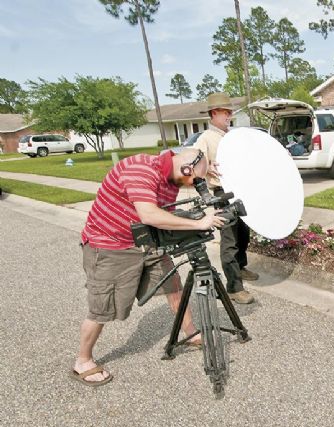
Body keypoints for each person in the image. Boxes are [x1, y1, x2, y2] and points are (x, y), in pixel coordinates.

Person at [72, 148, 227, 386]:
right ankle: (83, 360)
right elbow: (149, 215)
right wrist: (199, 222)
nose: (193, 184)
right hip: (111, 246)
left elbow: (165, 208)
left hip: (148, 241)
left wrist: (206, 173)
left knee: (173, 286)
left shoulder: (172, 175)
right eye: (193, 178)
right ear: (185, 167)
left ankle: (191, 332)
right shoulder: (140, 169)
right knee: (104, 306)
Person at [193, 92, 258, 305]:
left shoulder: (231, 135)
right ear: (214, 113)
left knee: (243, 233)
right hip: (222, 194)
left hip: (240, 191)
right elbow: (193, 166)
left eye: (230, 111)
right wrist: (206, 166)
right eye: (225, 111)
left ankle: (240, 266)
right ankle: (234, 288)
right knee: (229, 240)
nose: (229, 114)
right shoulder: (205, 138)